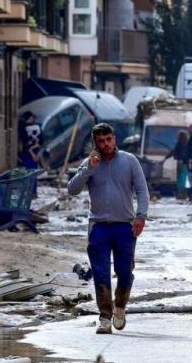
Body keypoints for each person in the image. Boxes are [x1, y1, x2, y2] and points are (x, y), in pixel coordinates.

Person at [67, 123, 149, 334]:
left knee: (124, 272)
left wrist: (141, 216)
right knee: (101, 273)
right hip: (99, 227)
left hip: (125, 227)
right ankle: (104, 316)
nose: (106, 144)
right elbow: (72, 189)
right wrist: (88, 169)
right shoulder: (89, 164)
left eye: (108, 139)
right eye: (101, 141)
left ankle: (120, 306)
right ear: (95, 143)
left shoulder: (129, 161)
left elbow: (141, 190)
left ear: (114, 139)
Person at [165, 130, 189, 200]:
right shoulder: (187, 143)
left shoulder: (179, 143)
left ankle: (180, 194)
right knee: (184, 178)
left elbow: (174, 151)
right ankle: (184, 194)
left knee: (180, 178)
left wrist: (166, 158)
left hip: (180, 162)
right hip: (185, 163)